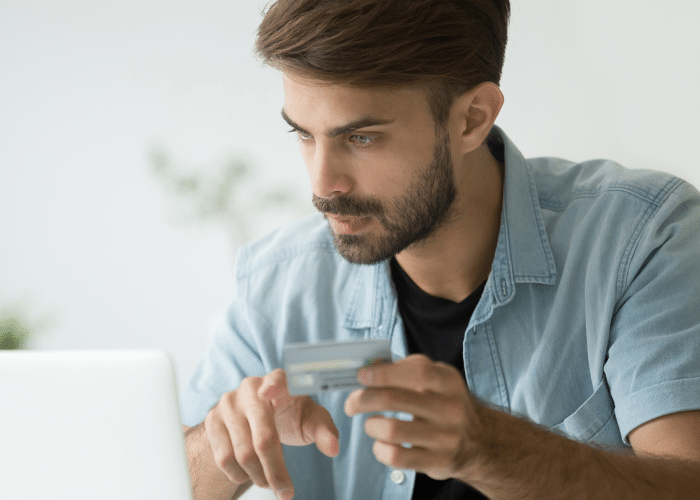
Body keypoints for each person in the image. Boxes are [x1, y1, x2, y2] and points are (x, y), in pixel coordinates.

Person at [180, 1, 700, 499]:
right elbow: (154, 480)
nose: (322, 183)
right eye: (303, 134)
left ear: (473, 118)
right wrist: (218, 446)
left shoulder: (643, 240)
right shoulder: (279, 285)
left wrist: (492, 451)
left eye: (360, 138)